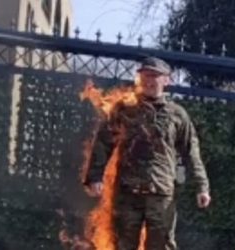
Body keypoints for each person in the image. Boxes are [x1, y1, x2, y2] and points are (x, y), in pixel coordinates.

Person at [84, 57, 211, 250]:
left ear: (166, 80)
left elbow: (191, 151)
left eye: (155, 76)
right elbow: (103, 142)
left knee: (161, 246)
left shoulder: (177, 115)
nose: (149, 80)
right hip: (127, 193)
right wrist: (95, 176)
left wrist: (202, 187)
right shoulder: (124, 109)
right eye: (145, 75)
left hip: (161, 193)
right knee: (122, 246)